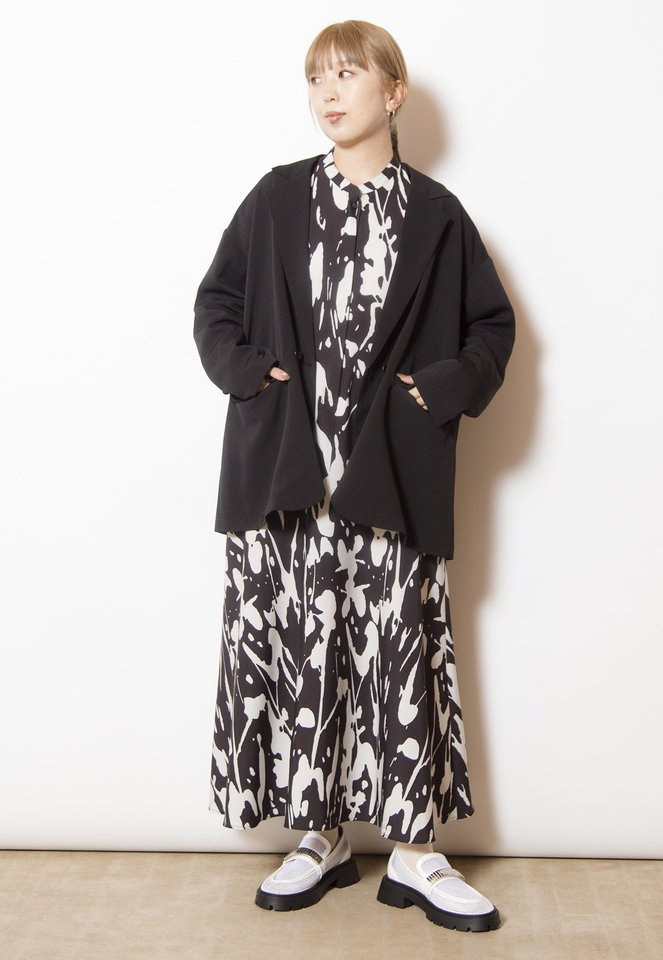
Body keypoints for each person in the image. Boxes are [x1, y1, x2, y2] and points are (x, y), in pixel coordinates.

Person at [193, 19, 515, 934]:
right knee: (305, 650)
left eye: (346, 74)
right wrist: (252, 376)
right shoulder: (276, 199)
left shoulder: (437, 215)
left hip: (391, 477)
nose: (328, 93)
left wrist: (439, 391)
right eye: (315, 78)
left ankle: (415, 850)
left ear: (393, 93)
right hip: (288, 478)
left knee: (399, 652)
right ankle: (321, 835)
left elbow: (493, 329)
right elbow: (215, 305)